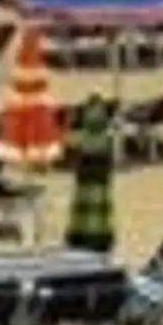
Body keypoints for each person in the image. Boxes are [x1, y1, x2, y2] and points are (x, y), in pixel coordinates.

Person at [64, 94, 116, 256]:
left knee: (86, 204)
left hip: (86, 176)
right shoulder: (107, 138)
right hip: (99, 176)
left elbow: (71, 144)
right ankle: (94, 237)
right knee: (96, 204)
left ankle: (85, 238)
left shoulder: (83, 138)